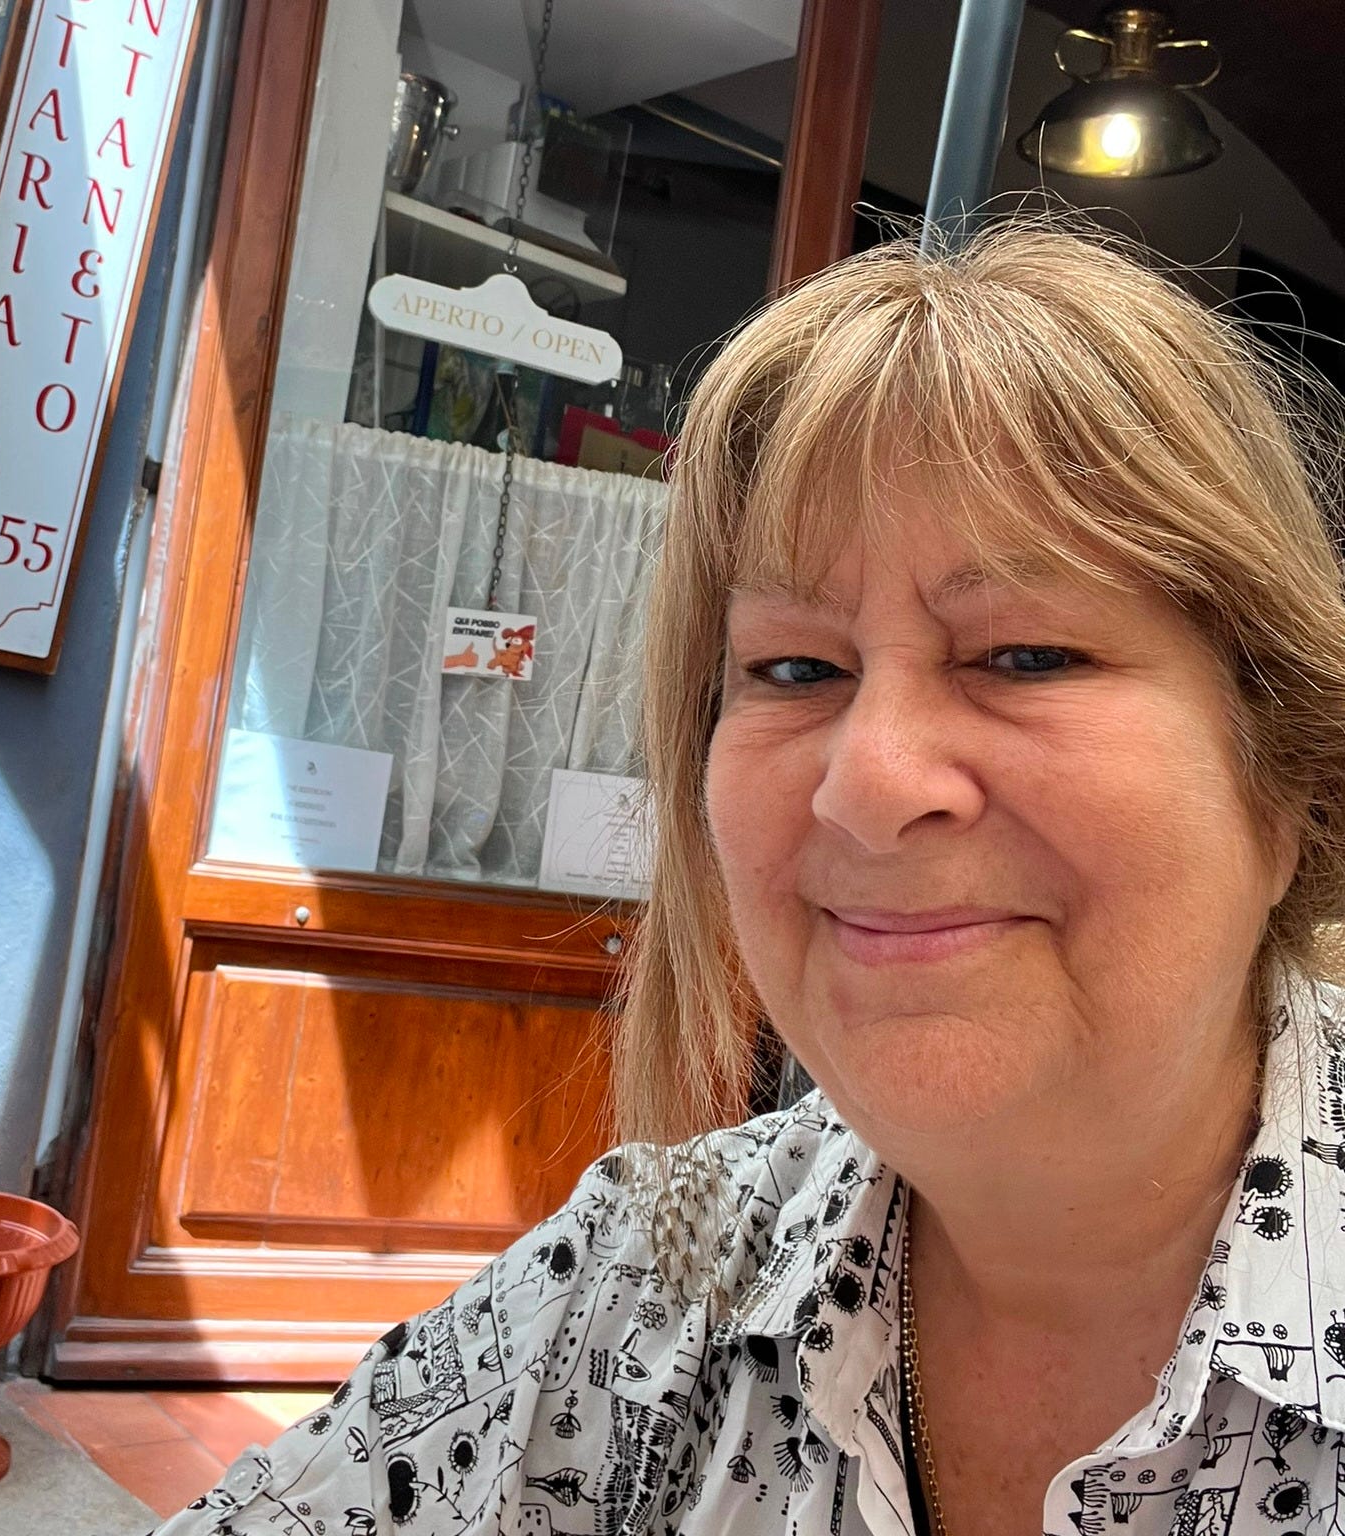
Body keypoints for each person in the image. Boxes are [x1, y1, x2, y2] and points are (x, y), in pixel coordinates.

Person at [148, 224, 1345, 1536]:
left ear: (1287, 780)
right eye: (795, 669)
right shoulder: (649, 1272)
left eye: (1025, 654)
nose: (868, 782)